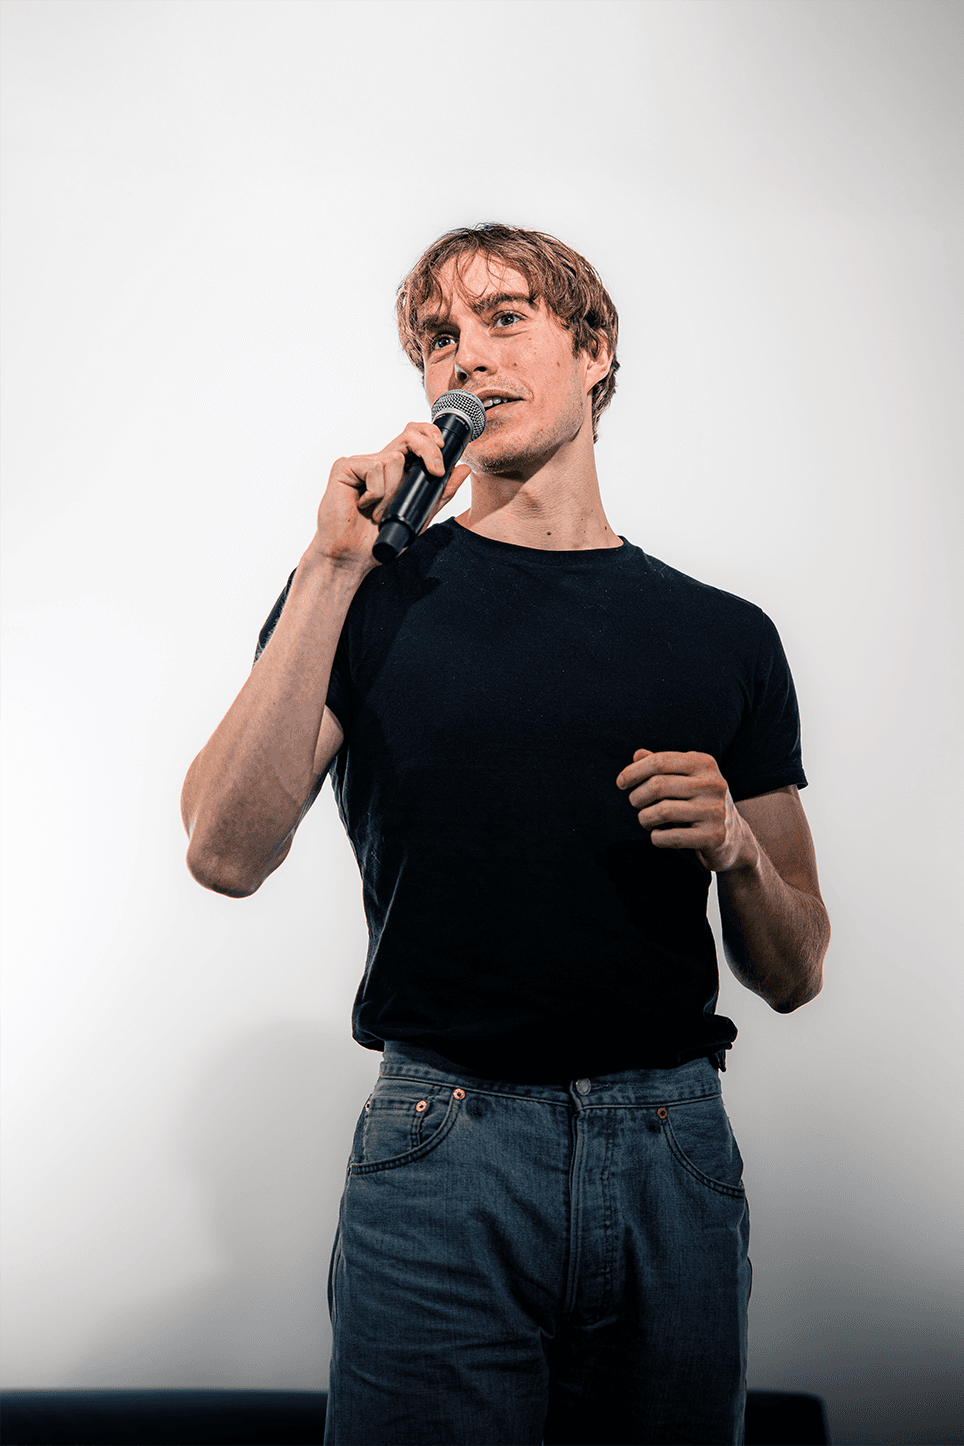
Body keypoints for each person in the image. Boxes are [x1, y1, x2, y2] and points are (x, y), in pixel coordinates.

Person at [181, 222, 831, 1446]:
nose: (466, 356)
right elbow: (223, 850)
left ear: (595, 349)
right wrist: (330, 566)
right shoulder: (363, 592)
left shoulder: (727, 636)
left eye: (505, 317)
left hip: (671, 1155)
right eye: (439, 337)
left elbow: (795, 970)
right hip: (443, 1151)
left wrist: (738, 854)